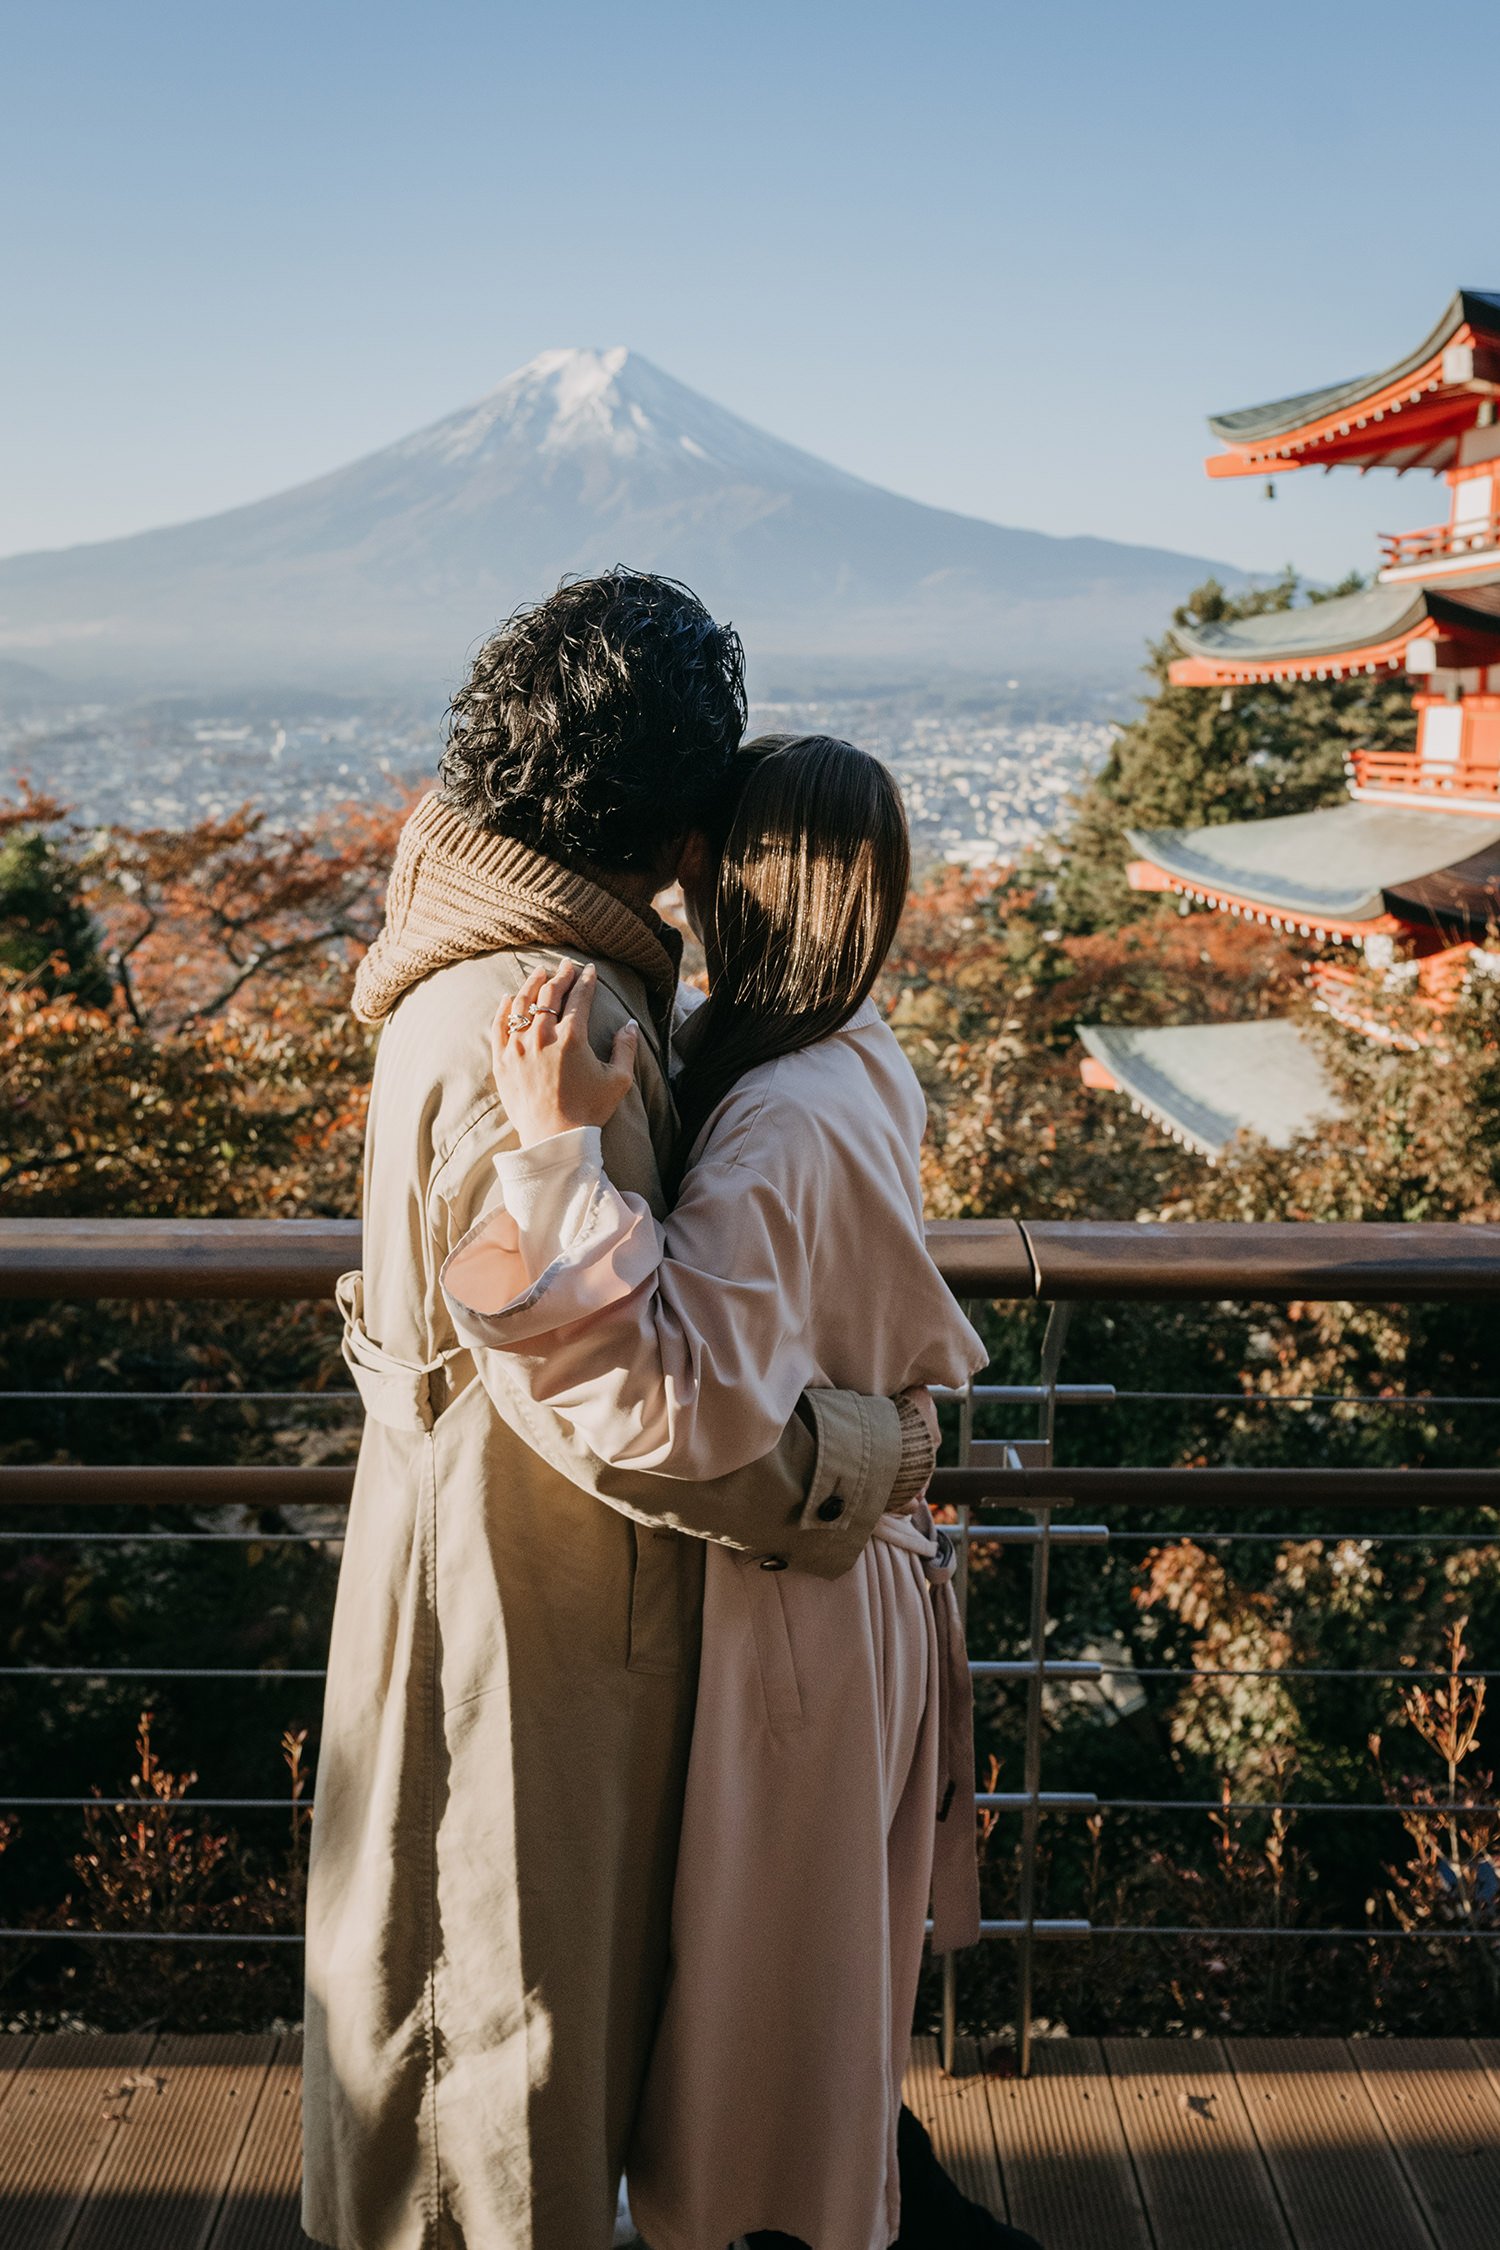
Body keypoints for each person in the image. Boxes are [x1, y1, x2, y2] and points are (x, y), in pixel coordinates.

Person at [302, 582, 938, 2250]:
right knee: (497, 2092)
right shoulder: (560, 1015)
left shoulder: (446, 963)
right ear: (666, 822)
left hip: (484, 1605)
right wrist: (874, 1458)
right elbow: (624, 1399)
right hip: (537, 1636)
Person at [442, 735, 1039, 2250]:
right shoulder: (843, 1050)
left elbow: (684, 1399)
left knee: (756, 2097)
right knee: (810, 2043)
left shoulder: (774, 1116)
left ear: (729, 874)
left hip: (803, 1637)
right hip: (841, 1600)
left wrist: (558, 1151)